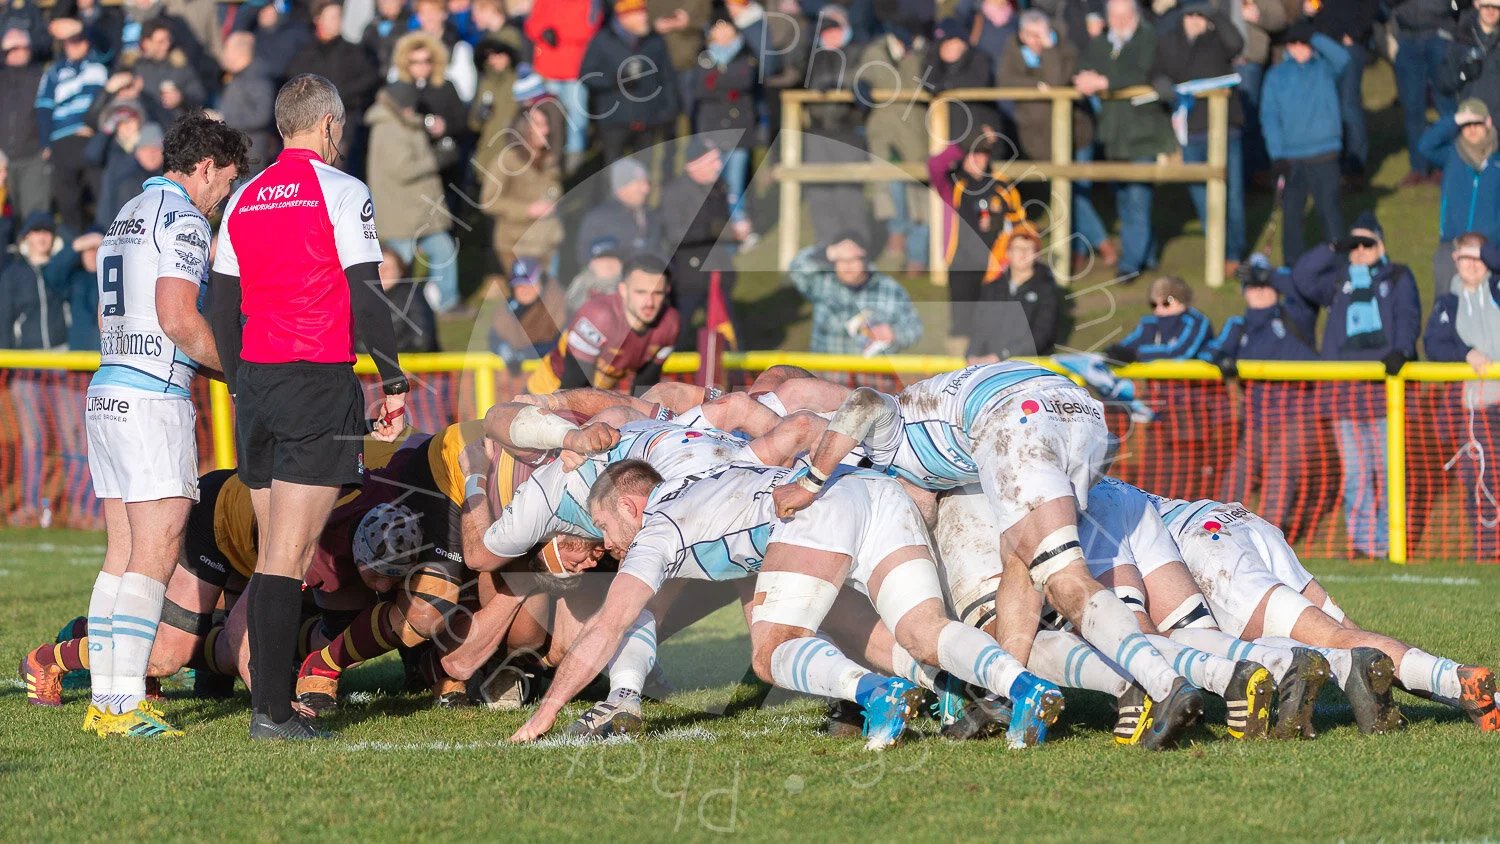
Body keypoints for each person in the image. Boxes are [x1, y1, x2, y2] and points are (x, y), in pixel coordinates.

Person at [775, 362, 1206, 749]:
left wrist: (809, 484)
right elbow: (922, 510)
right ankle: (1006, 692)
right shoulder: (928, 432)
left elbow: (864, 401)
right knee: (1022, 563)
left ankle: (1163, 684)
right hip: (1080, 412)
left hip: (1017, 417)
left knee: (1064, 579)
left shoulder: (888, 428)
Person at [510, 460, 1065, 749]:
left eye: (605, 526)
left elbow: (610, 625)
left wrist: (546, 713)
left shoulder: (654, 529)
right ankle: (1020, 688)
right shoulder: (704, 474)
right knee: (922, 629)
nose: (605, 544)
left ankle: (877, 693)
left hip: (815, 514)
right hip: (870, 490)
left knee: (771, 652)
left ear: (631, 504)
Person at [209, 73, 410, 741]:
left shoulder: (242, 198)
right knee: (287, 558)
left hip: (257, 388)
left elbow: (220, 305)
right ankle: (270, 712)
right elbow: (366, 291)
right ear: (327, 126)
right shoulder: (342, 191)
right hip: (316, 381)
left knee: (275, 551)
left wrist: (240, 383)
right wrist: (395, 382)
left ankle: (270, 705)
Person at [80, 113, 247, 738]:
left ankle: (106, 700)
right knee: (152, 555)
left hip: (109, 387)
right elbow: (178, 318)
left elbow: (105, 314)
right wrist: (239, 371)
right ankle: (124, 706)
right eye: (224, 183)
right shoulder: (181, 219)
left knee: (119, 555)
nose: (222, 198)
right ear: (203, 167)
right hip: (151, 399)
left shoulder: (126, 212)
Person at [1151, 485, 1500, 733]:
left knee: (1321, 638)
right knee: (1344, 633)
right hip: (1236, 519)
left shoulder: (1100, 505)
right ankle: (1482, 693)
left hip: (1206, 542)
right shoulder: (1117, 489)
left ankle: (1452, 678)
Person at [1281, 211, 1422, 559]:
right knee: (1357, 473)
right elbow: (1301, 276)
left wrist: (1402, 351)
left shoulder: (1398, 275)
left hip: (1384, 391)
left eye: (1367, 242)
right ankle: (1362, 544)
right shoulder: (1338, 281)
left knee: (1388, 469)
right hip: (1346, 394)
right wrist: (1333, 247)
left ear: (1381, 243)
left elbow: (1409, 315)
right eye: (1353, 244)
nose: (1359, 250)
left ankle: (1390, 543)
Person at [1205, 254, 1320, 533]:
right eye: (1251, 284)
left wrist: (1268, 273)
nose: (1258, 290)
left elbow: (1303, 289)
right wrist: (1222, 359)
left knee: (1279, 476)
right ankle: (1217, 534)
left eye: (1264, 283)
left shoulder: (1295, 315)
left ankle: (1269, 537)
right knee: (1236, 478)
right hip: (1257, 421)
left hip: (1296, 417)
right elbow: (1212, 350)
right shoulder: (1239, 324)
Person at [999, 9, 1110, 273]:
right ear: (1022, 34)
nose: (1037, 40)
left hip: (1076, 135)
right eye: (1032, 35)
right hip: (1039, 138)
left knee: (1076, 192)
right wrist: (1036, 87)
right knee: (1061, 193)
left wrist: (1049, 51)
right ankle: (1080, 250)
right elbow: (1005, 80)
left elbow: (1057, 79)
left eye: (1042, 34)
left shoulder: (1065, 49)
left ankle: (1099, 245)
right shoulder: (1012, 52)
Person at [1076, 0, 1176, 280]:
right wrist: (1084, 79)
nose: (1119, 20)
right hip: (1112, 133)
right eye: (1114, 15)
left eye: (1124, 14)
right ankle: (1149, 251)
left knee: (1137, 197)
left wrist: (1104, 83)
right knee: (1122, 196)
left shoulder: (1148, 38)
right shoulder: (1101, 43)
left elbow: (1141, 72)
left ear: (1135, 15)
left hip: (1144, 131)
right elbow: (1086, 67)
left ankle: (1130, 264)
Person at [1151, 0, 1246, 274]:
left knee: (1233, 195)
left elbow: (1237, 44)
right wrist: (1160, 84)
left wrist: (1215, 14)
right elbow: (1155, 70)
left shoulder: (1219, 39)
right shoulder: (1169, 41)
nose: (1194, 19)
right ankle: (1218, 250)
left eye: (1199, 15)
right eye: (1190, 14)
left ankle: (1234, 254)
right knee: (1202, 197)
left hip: (1226, 127)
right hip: (1191, 131)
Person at [1423, 232, 1500, 558]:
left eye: (1478, 256)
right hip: (1478, 408)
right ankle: (1485, 552)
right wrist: (1465, 353)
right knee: (1482, 480)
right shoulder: (1448, 302)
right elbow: (1434, 344)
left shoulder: (1497, 288)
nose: (1471, 264)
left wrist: (1485, 252)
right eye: (1464, 257)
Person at [365, 80, 462, 314]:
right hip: (400, 213)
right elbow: (402, 170)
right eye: (408, 106)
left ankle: (447, 302)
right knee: (398, 266)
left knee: (444, 250)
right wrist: (436, 159)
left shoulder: (403, 123)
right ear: (398, 106)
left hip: (418, 210)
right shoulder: (388, 129)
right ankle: (394, 308)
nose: (411, 110)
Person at [524, 253, 679, 395]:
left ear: (667, 291)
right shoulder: (598, 316)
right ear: (623, 289)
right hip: (547, 392)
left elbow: (645, 386)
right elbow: (573, 387)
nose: (649, 303)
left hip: (594, 395)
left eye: (657, 293)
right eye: (641, 292)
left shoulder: (669, 324)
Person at [928, 132, 1027, 352]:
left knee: (994, 321)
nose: (978, 159)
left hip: (996, 267)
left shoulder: (1003, 186)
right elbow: (934, 165)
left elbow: (1020, 226)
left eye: (983, 154)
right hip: (962, 263)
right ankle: (959, 372)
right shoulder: (954, 184)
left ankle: (994, 368)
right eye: (973, 154)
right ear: (963, 156)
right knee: (962, 324)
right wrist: (964, 141)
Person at [1260, 19, 1347, 263]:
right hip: (1291, 159)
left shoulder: (1325, 69)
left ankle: (1341, 269)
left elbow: (1344, 58)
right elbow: (1270, 117)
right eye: (1294, 43)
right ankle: (1293, 270)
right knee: (1291, 217)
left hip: (1325, 155)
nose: (1299, 48)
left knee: (1329, 213)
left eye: (1304, 43)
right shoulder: (1276, 76)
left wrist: (1315, 35)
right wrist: (1276, 155)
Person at [857, 22, 927, 271]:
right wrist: (860, 88)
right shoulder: (875, 53)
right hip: (884, 136)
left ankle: (917, 258)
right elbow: (861, 79)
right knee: (890, 192)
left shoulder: (923, 52)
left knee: (920, 197)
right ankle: (895, 247)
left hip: (918, 134)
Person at [579, 0, 682, 165]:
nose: (644, 17)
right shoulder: (602, 40)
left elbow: (667, 77)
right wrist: (614, 80)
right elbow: (586, 75)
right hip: (614, 120)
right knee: (612, 174)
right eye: (639, 13)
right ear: (624, 17)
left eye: (644, 12)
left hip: (648, 119)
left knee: (642, 173)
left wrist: (669, 109)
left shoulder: (655, 41)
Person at [787, 232, 922, 356]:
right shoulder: (823, 283)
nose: (847, 265)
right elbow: (795, 268)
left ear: (865, 258)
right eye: (841, 259)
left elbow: (915, 328)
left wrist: (894, 333)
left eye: (853, 259)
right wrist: (828, 251)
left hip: (873, 378)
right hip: (827, 376)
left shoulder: (890, 289)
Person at [283, 0, 380, 169]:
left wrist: (339, 95)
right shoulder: (304, 54)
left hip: (345, 121)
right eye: (332, 17)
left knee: (339, 164)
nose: (338, 21)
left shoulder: (354, 52)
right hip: (311, 122)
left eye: (339, 16)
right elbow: (295, 84)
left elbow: (369, 80)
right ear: (318, 19)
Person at [660, 135, 736, 348]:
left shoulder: (719, 187)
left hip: (718, 276)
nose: (719, 166)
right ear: (696, 165)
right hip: (688, 278)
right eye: (713, 161)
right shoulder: (674, 193)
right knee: (678, 334)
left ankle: (733, 378)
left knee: (729, 336)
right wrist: (720, 230)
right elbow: (675, 234)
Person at [693, 11, 761, 246]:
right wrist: (725, 83)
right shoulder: (703, 57)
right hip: (712, 128)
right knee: (714, 181)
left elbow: (743, 81)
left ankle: (740, 225)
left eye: (726, 27)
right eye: (717, 28)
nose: (722, 33)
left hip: (739, 129)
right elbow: (701, 88)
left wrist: (718, 80)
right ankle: (716, 227)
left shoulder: (746, 54)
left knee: (736, 180)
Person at [36, 17, 109, 233]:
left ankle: (106, 239)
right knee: (67, 200)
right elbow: (43, 107)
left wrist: (82, 27)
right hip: (60, 140)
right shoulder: (54, 71)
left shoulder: (99, 64)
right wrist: (44, 144)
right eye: (69, 41)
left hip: (89, 137)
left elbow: (104, 43)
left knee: (100, 194)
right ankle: (75, 246)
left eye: (78, 40)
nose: (74, 45)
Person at [1418, 99, 1500, 289]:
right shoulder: (1451, 156)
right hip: (1451, 245)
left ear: (1488, 123)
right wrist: (1454, 120)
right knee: (1446, 306)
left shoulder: (1497, 163)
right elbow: (1425, 146)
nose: (1471, 129)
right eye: (1466, 124)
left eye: (1476, 123)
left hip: (1489, 249)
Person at [477, 93, 563, 273]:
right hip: (516, 242)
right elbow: (488, 202)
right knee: (529, 297)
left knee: (552, 296)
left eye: (546, 125)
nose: (546, 131)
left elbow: (554, 191)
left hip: (548, 241)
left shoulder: (549, 159)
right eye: (538, 125)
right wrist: (527, 210)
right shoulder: (507, 161)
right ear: (524, 127)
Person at [524, 0, 601, 174]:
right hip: (548, 68)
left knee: (576, 118)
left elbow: (590, 27)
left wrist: (559, 32)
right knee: (550, 117)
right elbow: (531, 23)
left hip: (575, 69)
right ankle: (551, 160)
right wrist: (542, 31)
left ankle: (575, 163)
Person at [967, 228, 1064, 362]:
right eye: (1018, 248)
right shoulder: (992, 288)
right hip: (990, 366)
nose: (1023, 254)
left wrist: (1003, 355)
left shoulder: (1047, 290)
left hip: (1030, 367)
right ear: (1008, 253)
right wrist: (971, 355)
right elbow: (979, 327)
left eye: (1028, 249)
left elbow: (1042, 334)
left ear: (1036, 254)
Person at [1392, 0, 1459, 185]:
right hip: (1407, 36)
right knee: (1412, 107)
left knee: (1445, 102)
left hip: (1439, 32)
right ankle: (1418, 168)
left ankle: (1449, 164)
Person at [0, 28, 50, 225]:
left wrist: (48, 145)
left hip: (33, 156)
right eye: (13, 48)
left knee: (35, 218)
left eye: (23, 47)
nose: (19, 52)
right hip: (2, 159)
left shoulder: (42, 76)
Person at [1107, 275, 1215, 363]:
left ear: (1182, 301)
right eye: (1153, 304)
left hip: (1194, 387)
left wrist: (1135, 355)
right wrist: (1113, 353)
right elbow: (1128, 345)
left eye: (1166, 303)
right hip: (1158, 389)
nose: (1158, 309)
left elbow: (1181, 352)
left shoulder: (1196, 322)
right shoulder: (1150, 324)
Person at [574, 157, 661, 265]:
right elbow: (584, 254)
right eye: (640, 184)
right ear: (623, 187)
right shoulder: (599, 218)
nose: (646, 189)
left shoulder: (651, 215)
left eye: (647, 183)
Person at [490, 255, 566, 368]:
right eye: (519, 285)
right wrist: (503, 349)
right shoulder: (508, 308)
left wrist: (523, 355)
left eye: (529, 284)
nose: (524, 290)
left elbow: (555, 343)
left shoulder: (556, 305)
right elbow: (494, 335)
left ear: (540, 283)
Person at [126, 18, 206, 122]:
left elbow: (200, 96)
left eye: (168, 40)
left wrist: (181, 98)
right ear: (146, 43)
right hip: (144, 128)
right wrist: (134, 95)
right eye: (160, 42)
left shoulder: (179, 64)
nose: (166, 45)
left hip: (175, 126)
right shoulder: (132, 67)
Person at [218, 31, 279, 170]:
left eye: (226, 49)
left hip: (251, 154)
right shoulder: (236, 76)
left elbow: (262, 115)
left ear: (238, 52)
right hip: (235, 151)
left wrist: (225, 120)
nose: (224, 54)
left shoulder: (257, 77)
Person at [45, 227, 105, 353]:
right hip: (79, 356)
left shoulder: (115, 280)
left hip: (107, 359)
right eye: (87, 249)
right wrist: (76, 245)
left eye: (96, 248)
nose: (92, 254)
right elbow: (51, 273)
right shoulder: (76, 279)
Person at [369, 245, 439, 352]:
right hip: (367, 366)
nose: (381, 272)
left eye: (387, 268)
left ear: (400, 271)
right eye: (377, 267)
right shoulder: (357, 297)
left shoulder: (413, 295)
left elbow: (421, 340)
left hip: (414, 364)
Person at [1440, 0, 1500, 123]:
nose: (1491, 10)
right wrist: (1463, 75)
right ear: (1477, 4)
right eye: (1486, 6)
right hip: (1473, 121)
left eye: (1496, 7)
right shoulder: (1461, 39)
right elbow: (1444, 85)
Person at [567, 235, 625, 314]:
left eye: (613, 257)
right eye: (602, 258)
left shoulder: (629, 290)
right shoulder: (579, 287)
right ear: (591, 264)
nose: (608, 262)